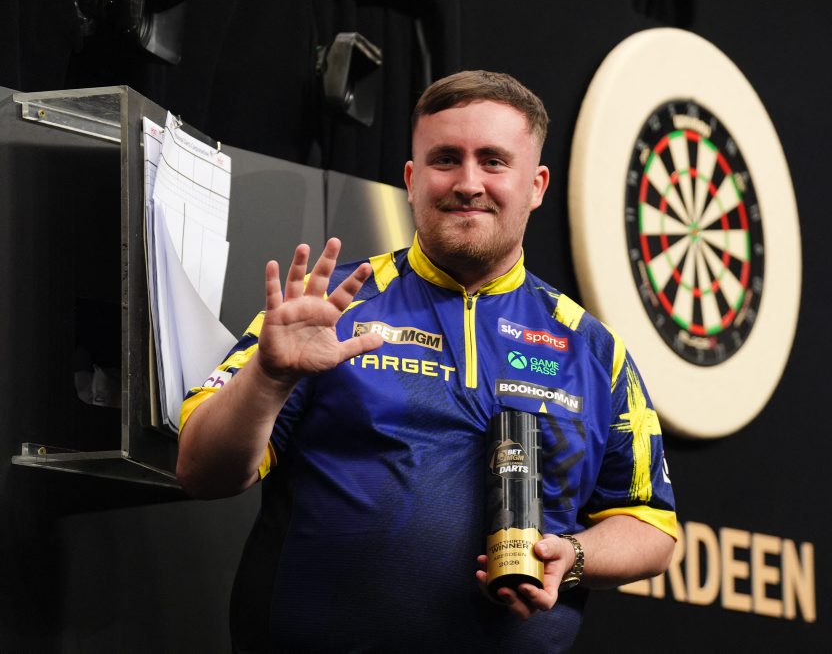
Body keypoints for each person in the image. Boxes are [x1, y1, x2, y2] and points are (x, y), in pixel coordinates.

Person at [176, 70, 677, 652]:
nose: (468, 183)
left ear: (537, 185)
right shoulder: (326, 308)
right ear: (412, 180)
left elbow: (650, 526)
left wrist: (574, 555)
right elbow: (201, 469)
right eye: (445, 159)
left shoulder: (593, 350)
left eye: (493, 161)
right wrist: (270, 376)